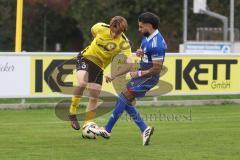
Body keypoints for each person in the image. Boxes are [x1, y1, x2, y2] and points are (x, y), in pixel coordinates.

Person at [90, 12, 167, 146]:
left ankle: (107, 129)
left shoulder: (157, 44)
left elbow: (157, 69)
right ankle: (144, 129)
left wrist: (139, 74)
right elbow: (146, 54)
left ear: (149, 26)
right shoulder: (147, 37)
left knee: (123, 98)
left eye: (141, 27)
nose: (139, 29)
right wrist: (141, 53)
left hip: (148, 77)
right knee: (125, 100)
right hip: (143, 74)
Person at [69, 16, 132, 131]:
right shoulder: (100, 27)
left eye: (118, 33)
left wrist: (113, 75)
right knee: (82, 82)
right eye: (113, 31)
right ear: (110, 26)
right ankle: (72, 113)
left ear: (122, 31)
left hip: (99, 67)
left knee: (94, 97)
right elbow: (92, 31)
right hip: (85, 58)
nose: (114, 35)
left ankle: (87, 125)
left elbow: (129, 64)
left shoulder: (124, 42)